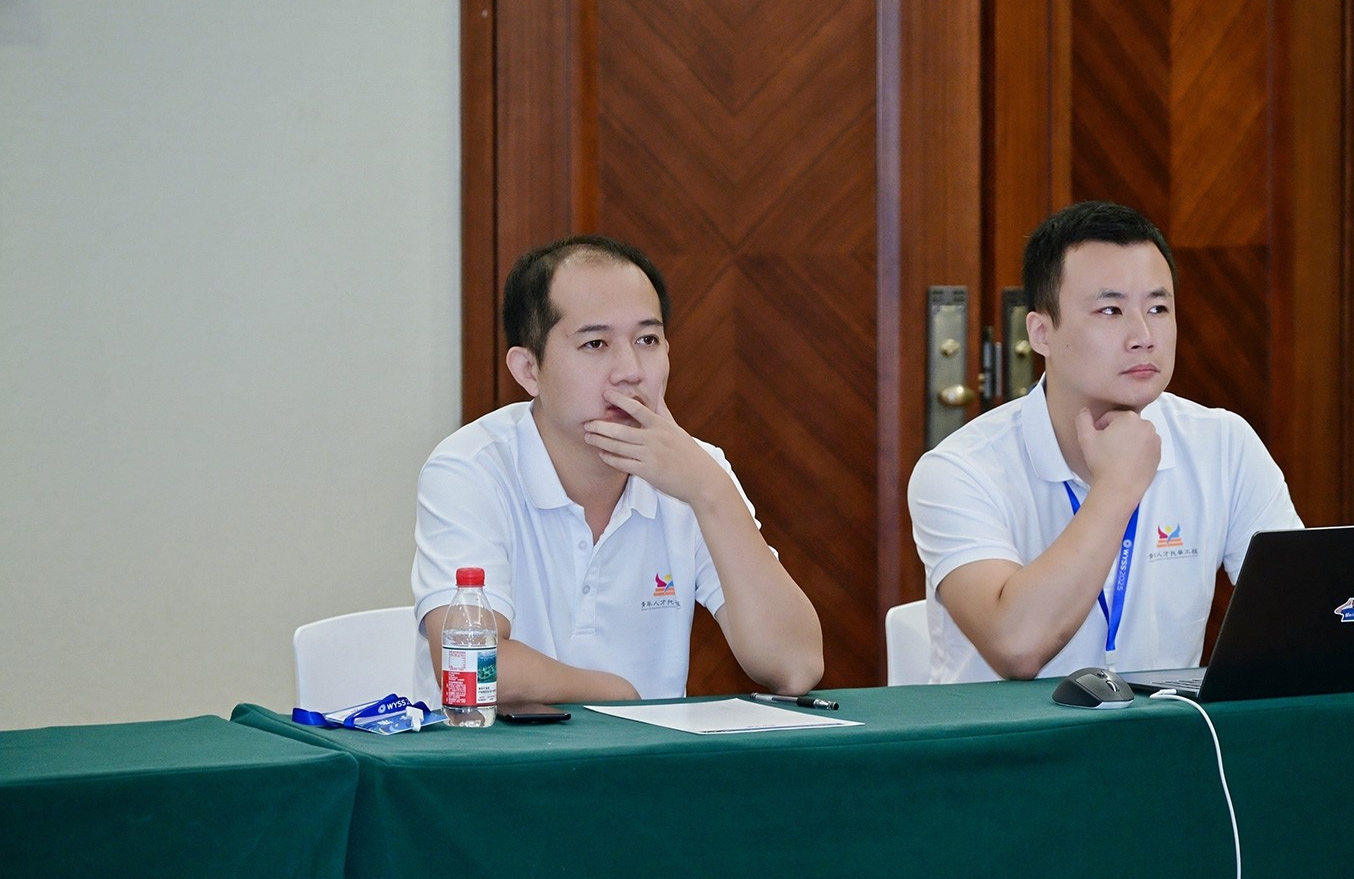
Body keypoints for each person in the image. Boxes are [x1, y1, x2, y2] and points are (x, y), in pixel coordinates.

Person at [411, 235, 824, 703]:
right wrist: (618, 694)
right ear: (528, 370)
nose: (630, 371)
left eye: (647, 340)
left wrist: (711, 492)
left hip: (649, 751)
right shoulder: (470, 470)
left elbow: (796, 667)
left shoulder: (695, 471)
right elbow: (468, 664)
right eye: (596, 343)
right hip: (494, 750)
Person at [907, 201, 1300, 683]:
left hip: (1165, 728)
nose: (1144, 336)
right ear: (1041, 334)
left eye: (1158, 308)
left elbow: (1300, 616)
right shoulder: (958, 470)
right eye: (1111, 310)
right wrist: (1117, 487)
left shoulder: (1223, 444)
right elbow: (1015, 645)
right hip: (1011, 732)